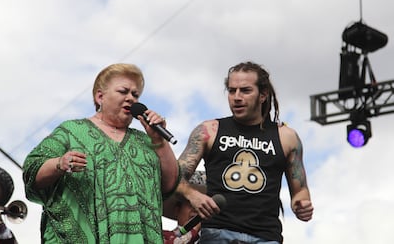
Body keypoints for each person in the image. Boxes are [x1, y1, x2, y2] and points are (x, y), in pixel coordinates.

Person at [22, 63, 179, 244]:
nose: (131, 98)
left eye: (135, 95)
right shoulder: (72, 131)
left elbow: (169, 185)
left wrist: (159, 141)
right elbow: (32, 171)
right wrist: (60, 163)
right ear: (100, 96)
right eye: (123, 91)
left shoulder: (145, 141)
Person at [176, 61, 314, 243]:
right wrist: (193, 195)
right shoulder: (209, 130)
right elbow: (175, 178)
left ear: (263, 95)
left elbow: (300, 190)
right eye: (232, 91)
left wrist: (301, 204)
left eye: (245, 90)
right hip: (217, 233)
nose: (237, 97)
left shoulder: (287, 137)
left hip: (265, 237)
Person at [162, 170, 206, 244]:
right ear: (177, 210)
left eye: (204, 205)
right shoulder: (161, 236)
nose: (197, 208)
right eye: (191, 204)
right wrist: (194, 229)